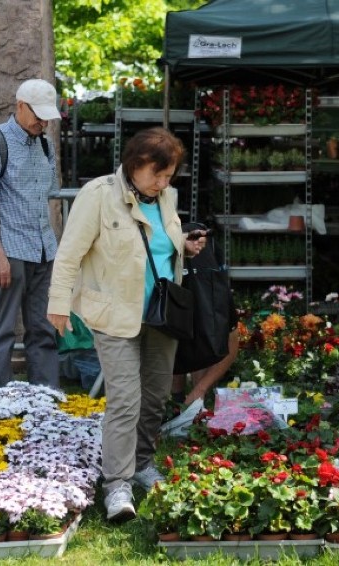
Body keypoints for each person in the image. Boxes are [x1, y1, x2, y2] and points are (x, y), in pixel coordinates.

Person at [47, 127, 206, 522]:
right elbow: (69, 254)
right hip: (115, 315)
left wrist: (184, 244)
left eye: (169, 175)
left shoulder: (166, 197)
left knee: (154, 397)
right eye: (157, 174)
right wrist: (59, 304)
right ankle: (116, 484)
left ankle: (142, 463)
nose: (164, 182)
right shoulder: (98, 194)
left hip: (161, 314)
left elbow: (159, 244)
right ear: (135, 165)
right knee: (125, 400)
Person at [0, 78, 62, 389]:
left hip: (43, 249)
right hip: (9, 249)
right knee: (3, 329)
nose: (43, 122)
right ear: (20, 106)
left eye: (48, 115)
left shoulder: (45, 144)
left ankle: (46, 397)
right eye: (38, 114)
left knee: (43, 328)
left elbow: (47, 196)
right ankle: (0, 398)